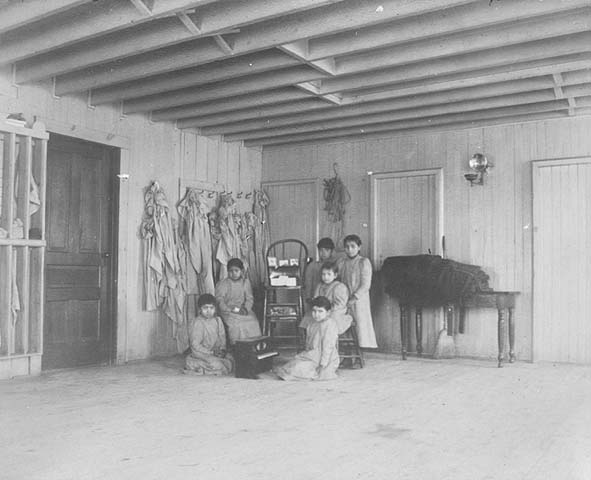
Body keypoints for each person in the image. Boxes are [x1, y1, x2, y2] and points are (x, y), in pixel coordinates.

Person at [275, 296, 340, 381]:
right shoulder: (312, 323)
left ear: (328, 312)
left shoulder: (330, 324)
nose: (316, 315)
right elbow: (309, 343)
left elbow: (328, 346)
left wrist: (323, 364)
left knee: (297, 369)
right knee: (291, 365)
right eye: (314, 311)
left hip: (325, 358)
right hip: (313, 354)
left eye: (320, 311)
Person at [337, 234, 378, 349]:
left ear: (359, 247)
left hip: (359, 300)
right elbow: (338, 279)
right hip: (344, 298)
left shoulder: (363, 262)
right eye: (347, 247)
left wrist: (354, 298)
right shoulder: (342, 262)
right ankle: (347, 352)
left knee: (359, 326)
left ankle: (357, 352)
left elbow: (365, 285)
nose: (349, 250)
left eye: (353, 246)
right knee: (344, 324)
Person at [215, 257, 262, 344]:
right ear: (228, 272)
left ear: (242, 271)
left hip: (242, 309)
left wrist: (246, 309)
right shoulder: (223, 284)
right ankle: (238, 347)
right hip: (228, 311)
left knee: (253, 322)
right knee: (237, 325)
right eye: (231, 271)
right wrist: (230, 309)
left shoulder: (245, 283)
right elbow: (219, 300)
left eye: (236, 271)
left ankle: (254, 346)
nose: (233, 273)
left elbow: (249, 298)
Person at [184, 294, 233, 375]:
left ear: (215, 309)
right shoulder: (198, 323)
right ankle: (195, 364)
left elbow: (222, 337)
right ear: (200, 309)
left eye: (211, 308)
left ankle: (210, 364)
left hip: (215, 351)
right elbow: (195, 345)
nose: (208, 311)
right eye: (205, 308)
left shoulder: (218, 320)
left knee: (230, 361)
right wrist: (211, 353)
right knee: (217, 365)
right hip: (202, 352)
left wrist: (222, 349)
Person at [300, 261, 352, 335]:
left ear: (335, 275)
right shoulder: (320, 286)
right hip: (321, 311)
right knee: (309, 317)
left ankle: (326, 341)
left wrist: (326, 310)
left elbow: (340, 304)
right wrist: (315, 303)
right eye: (323, 274)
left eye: (329, 274)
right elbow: (316, 299)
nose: (326, 277)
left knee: (328, 321)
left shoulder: (339, 287)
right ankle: (311, 340)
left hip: (335, 312)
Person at [304, 237, 335, 305]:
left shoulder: (336, 265)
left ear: (331, 251)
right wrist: (308, 297)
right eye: (321, 250)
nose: (323, 253)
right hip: (316, 298)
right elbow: (308, 283)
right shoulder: (312, 266)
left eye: (327, 250)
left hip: (332, 299)